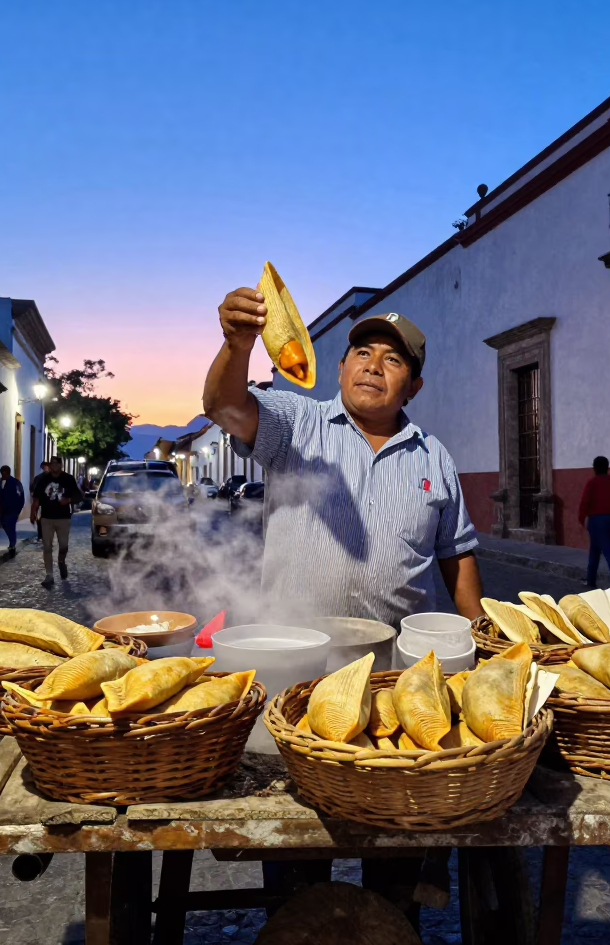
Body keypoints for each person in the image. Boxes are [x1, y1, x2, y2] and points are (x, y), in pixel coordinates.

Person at [204, 290, 483, 925]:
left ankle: (390, 922)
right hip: (297, 677)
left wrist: (474, 636)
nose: (373, 365)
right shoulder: (294, 425)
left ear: (411, 385)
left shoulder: (434, 458)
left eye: (392, 360)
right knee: (298, 846)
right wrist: (238, 344)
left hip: (395, 689)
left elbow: (458, 553)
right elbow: (222, 403)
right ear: (339, 368)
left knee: (394, 847)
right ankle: (297, 923)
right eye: (362, 351)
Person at [30, 456, 81, 588]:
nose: (53, 466)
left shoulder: (68, 479)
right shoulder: (42, 479)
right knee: (47, 546)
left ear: (60, 465)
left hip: (63, 517)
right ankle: (49, 575)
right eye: (51, 464)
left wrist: (68, 500)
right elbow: (36, 497)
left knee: (63, 545)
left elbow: (78, 495)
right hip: (46, 517)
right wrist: (33, 513)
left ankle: (61, 561)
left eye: (56, 464)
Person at [577, 455, 610, 591]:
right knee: (595, 550)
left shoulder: (592, 483)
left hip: (597, 520)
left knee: (606, 549)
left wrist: (582, 519)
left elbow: (585, 502)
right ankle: (590, 579)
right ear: (607, 467)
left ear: (594, 468)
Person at [0, 465, 26, 558]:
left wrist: (18, 510)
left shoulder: (15, 482)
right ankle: (12, 542)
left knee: (11, 526)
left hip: (13, 510)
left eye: (4, 473)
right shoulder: (0, 482)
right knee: (4, 524)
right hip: (3, 510)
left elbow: (21, 496)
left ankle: (12, 544)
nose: (3, 475)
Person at [30, 460, 50, 543]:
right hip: (42, 503)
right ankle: (42, 536)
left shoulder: (39, 478)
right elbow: (33, 490)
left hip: (46, 503)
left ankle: (42, 536)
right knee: (41, 519)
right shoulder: (39, 478)